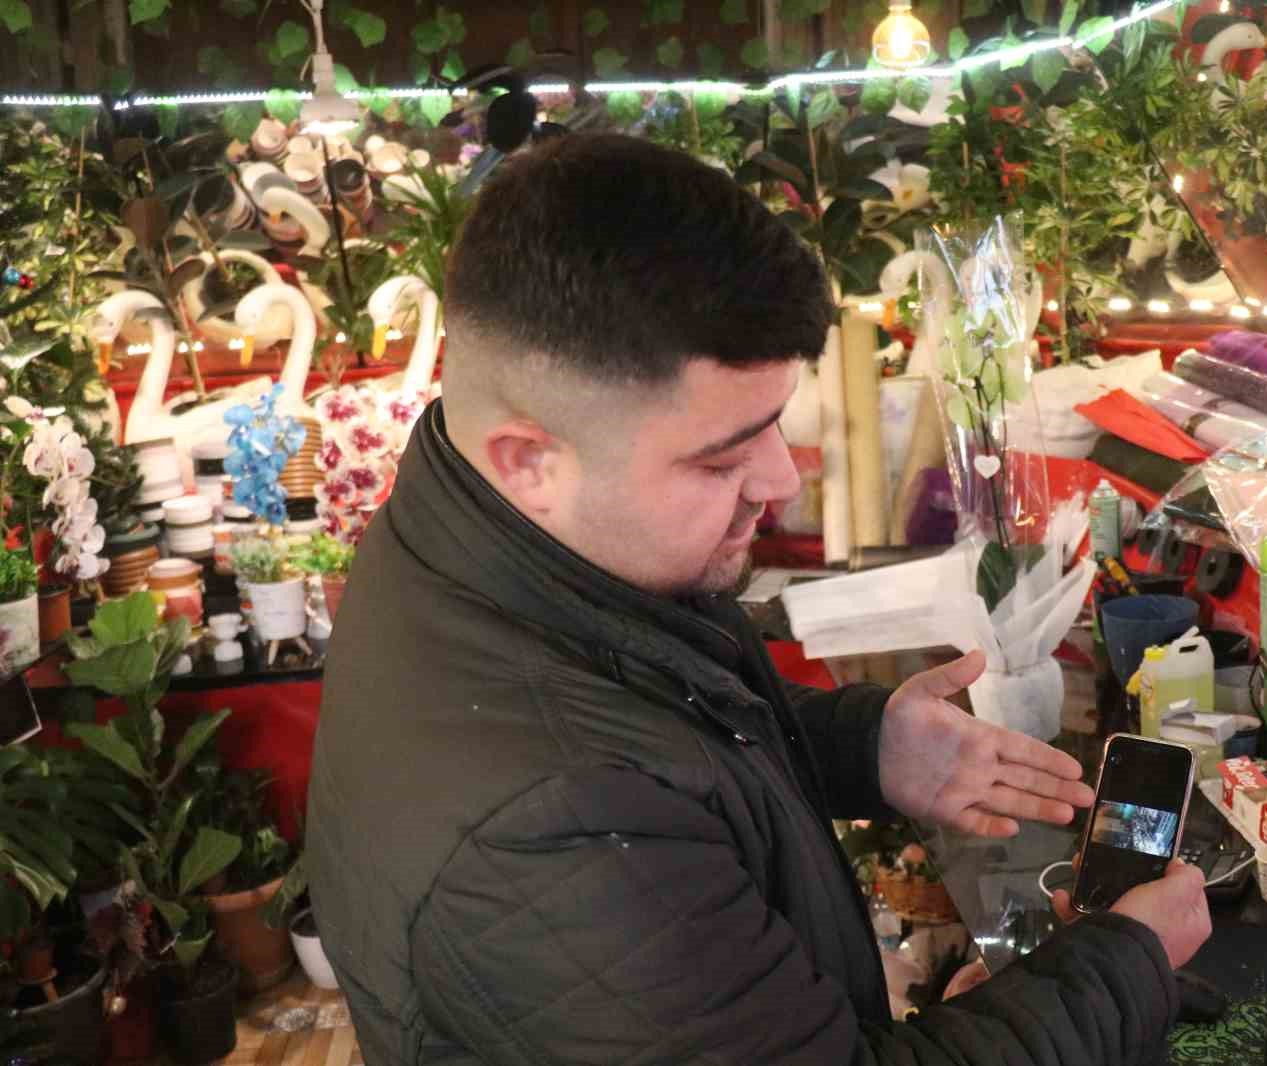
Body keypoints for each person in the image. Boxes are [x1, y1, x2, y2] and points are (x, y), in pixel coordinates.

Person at [305, 132, 1212, 1066]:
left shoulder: (480, 523)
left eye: (773, 424)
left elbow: (650, 721)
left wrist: (861, 746)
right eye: (720, 457)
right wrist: (1124, 964)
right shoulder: (547, 838)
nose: (777, 478)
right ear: (532, 459)